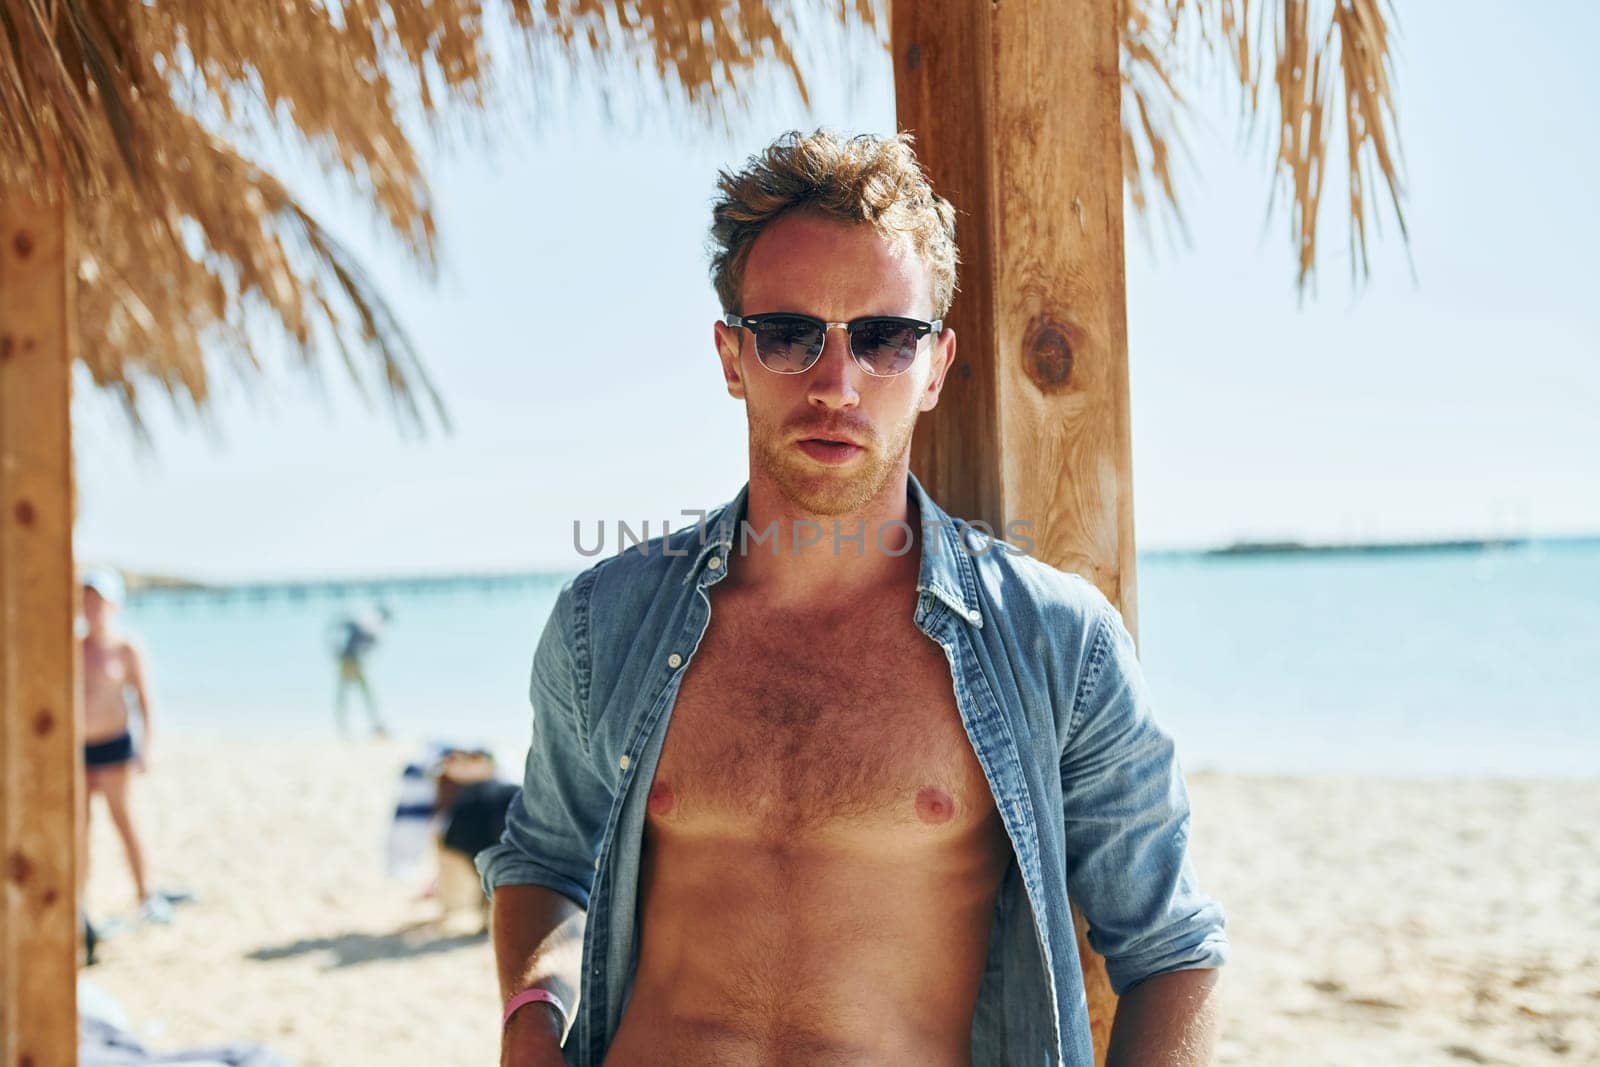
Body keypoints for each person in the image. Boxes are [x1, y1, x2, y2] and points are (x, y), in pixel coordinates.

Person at [479, 130, 1228, 1067]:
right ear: (729, 356)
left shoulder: (1055, 642)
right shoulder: (607, 620)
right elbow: (546, 862)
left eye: (883, 338)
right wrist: (530, 1027)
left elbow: (1170, 948)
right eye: (789, 335)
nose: (836, 383)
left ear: (937, 366)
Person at [79, 568, 170, 925]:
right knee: (79, 829)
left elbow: (143, 701)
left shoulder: (125, 648)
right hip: (79, 752)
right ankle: (80, 902)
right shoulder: (72, 648)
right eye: (85, 600)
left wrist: (146, 748)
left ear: (113, 605)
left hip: (115, 748)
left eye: (98, 601)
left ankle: (144, 894)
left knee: (123, 822)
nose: (91, 607)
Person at [329, 605, 391, 737]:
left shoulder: (367, 623)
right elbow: (368, 641)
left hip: (349, 660)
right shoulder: (372, 624)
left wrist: (334, 648)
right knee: (363, 695)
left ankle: (346, 728)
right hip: (352, 661)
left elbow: (341, 623)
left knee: (348, 695)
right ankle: (369, 727)